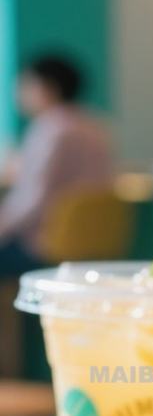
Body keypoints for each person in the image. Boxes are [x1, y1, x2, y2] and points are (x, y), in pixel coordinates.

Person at [0, 55, 113, 277]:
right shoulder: (95, 126)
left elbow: (33, 199)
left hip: (46, 245)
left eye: (25, 84)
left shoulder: (50, 129)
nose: (19, 92)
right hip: (92, 239)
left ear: (47, 88)